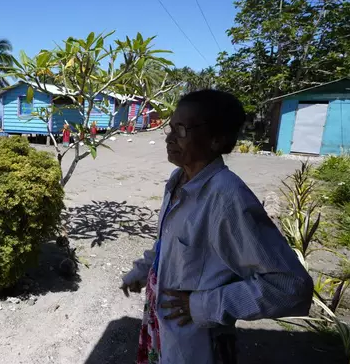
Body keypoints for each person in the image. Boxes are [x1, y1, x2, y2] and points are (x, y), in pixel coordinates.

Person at [121, 90, 313, 364]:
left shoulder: (228, 199)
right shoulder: (179, 181)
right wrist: (143, 270)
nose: (169, 137)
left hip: (196, 346)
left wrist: (204, 305)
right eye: (170, 127)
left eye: (182, 129)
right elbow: (170, 243)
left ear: (217, 140)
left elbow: (290, 286)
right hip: (165, 332)